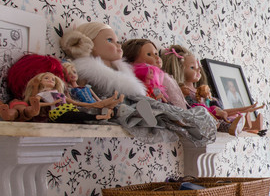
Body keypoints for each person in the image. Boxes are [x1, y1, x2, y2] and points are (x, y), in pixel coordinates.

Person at [58, 21, 215, 144]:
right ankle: (159, 117)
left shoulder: (121, 71)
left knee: (162, 108)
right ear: (89, 45)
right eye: (109, 40)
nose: (118, 45)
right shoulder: (87, 69)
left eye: (117, 40)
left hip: (133, 100)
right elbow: (81, 91)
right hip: (113, 104)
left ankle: (182, 118)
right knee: (134, 110)